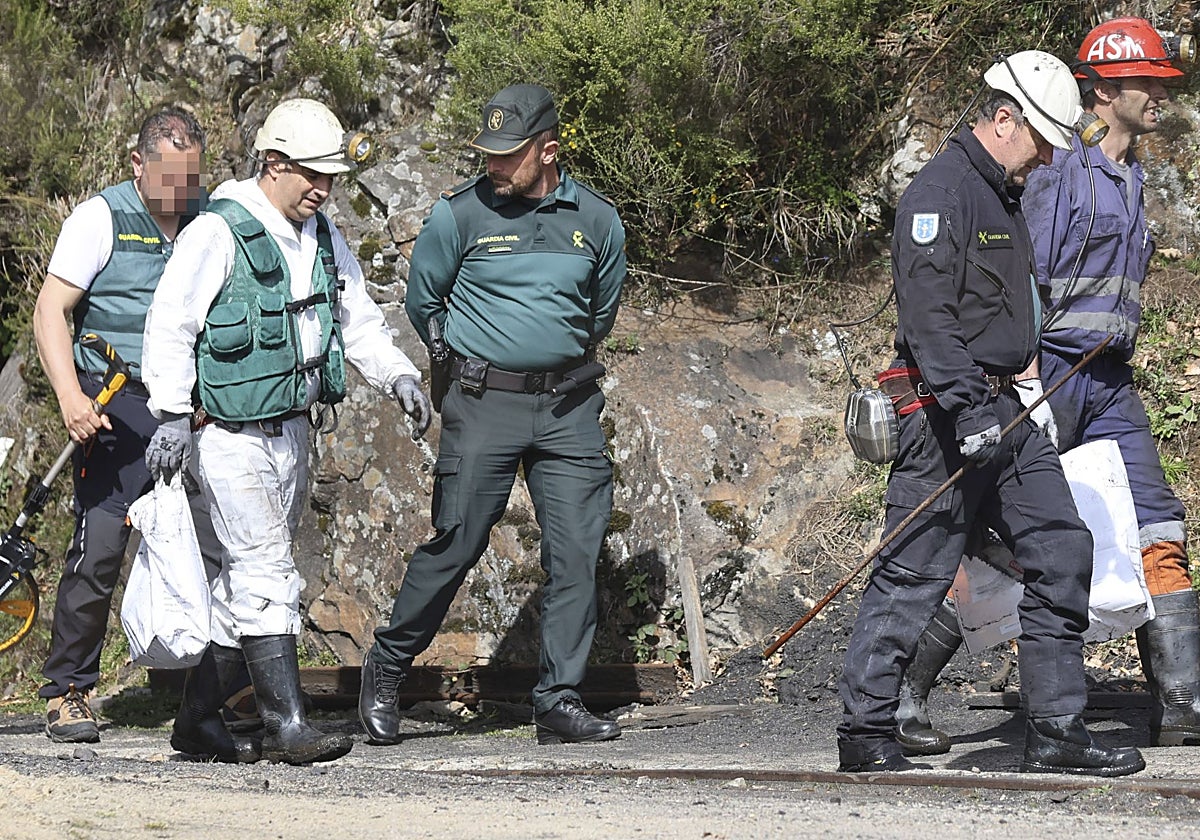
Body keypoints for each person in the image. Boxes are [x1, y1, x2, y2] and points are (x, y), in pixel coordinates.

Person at [836, 50, 1145, 777]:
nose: (1043, 160)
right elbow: (929, 317)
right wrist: (968, 407)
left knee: (1062, 545)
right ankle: (866, 727)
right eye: (1040, 141)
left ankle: (1056, 729)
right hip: (945, 410)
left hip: (1002, 404)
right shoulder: (939, 194)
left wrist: (1010, 388)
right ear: (1004, 118)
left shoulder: (1000, 195)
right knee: (915, 568)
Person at [897, 17, 1200, 754]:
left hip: (1108, 380)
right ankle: (903, 689)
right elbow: (1013, 278)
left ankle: (1184, 703)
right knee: (991, 533)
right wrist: (1018, 372)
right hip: (1049, 371)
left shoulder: (1132, 178)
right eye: (1146, 81)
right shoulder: (1058, 168)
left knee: (1157, 523)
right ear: (1101, 91)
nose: (1161, 93)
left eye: (1163, 82)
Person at [140, 97, 432, 765]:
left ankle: (196, 723)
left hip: (292, 431)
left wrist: (397, 376)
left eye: (331, 178)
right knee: (266, 569)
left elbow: (356, 320)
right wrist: (172, 415)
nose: (324, 190)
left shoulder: (325, 236)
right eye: (314, 176)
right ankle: (287, 724)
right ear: (275, 165)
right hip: (228, 437)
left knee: (244, 584)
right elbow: (171, 325)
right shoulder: (218, 231)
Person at [358, 83, 626, 746]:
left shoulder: (596, 221)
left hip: (568, 406)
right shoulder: (459, 217)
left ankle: (558, 699)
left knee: (575, 554)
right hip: (483, 404)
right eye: (488, 154)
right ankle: (387, 670)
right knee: (457, 541)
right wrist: (466, 359)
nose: (494, 167)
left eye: (508, 156)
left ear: (549, 150)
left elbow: (599, 314)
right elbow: (426, 303)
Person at [29, 108, 251, 752]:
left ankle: (210, 696)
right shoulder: (100, 218)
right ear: (138, 164)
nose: (182, 195)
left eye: (192, 182)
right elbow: (51, 309)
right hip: (115, 403)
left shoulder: (210, 219)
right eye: (170, 182)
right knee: (100, 547)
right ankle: (69, 689)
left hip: (195, 405)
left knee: (217, 549)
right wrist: (70, 395)